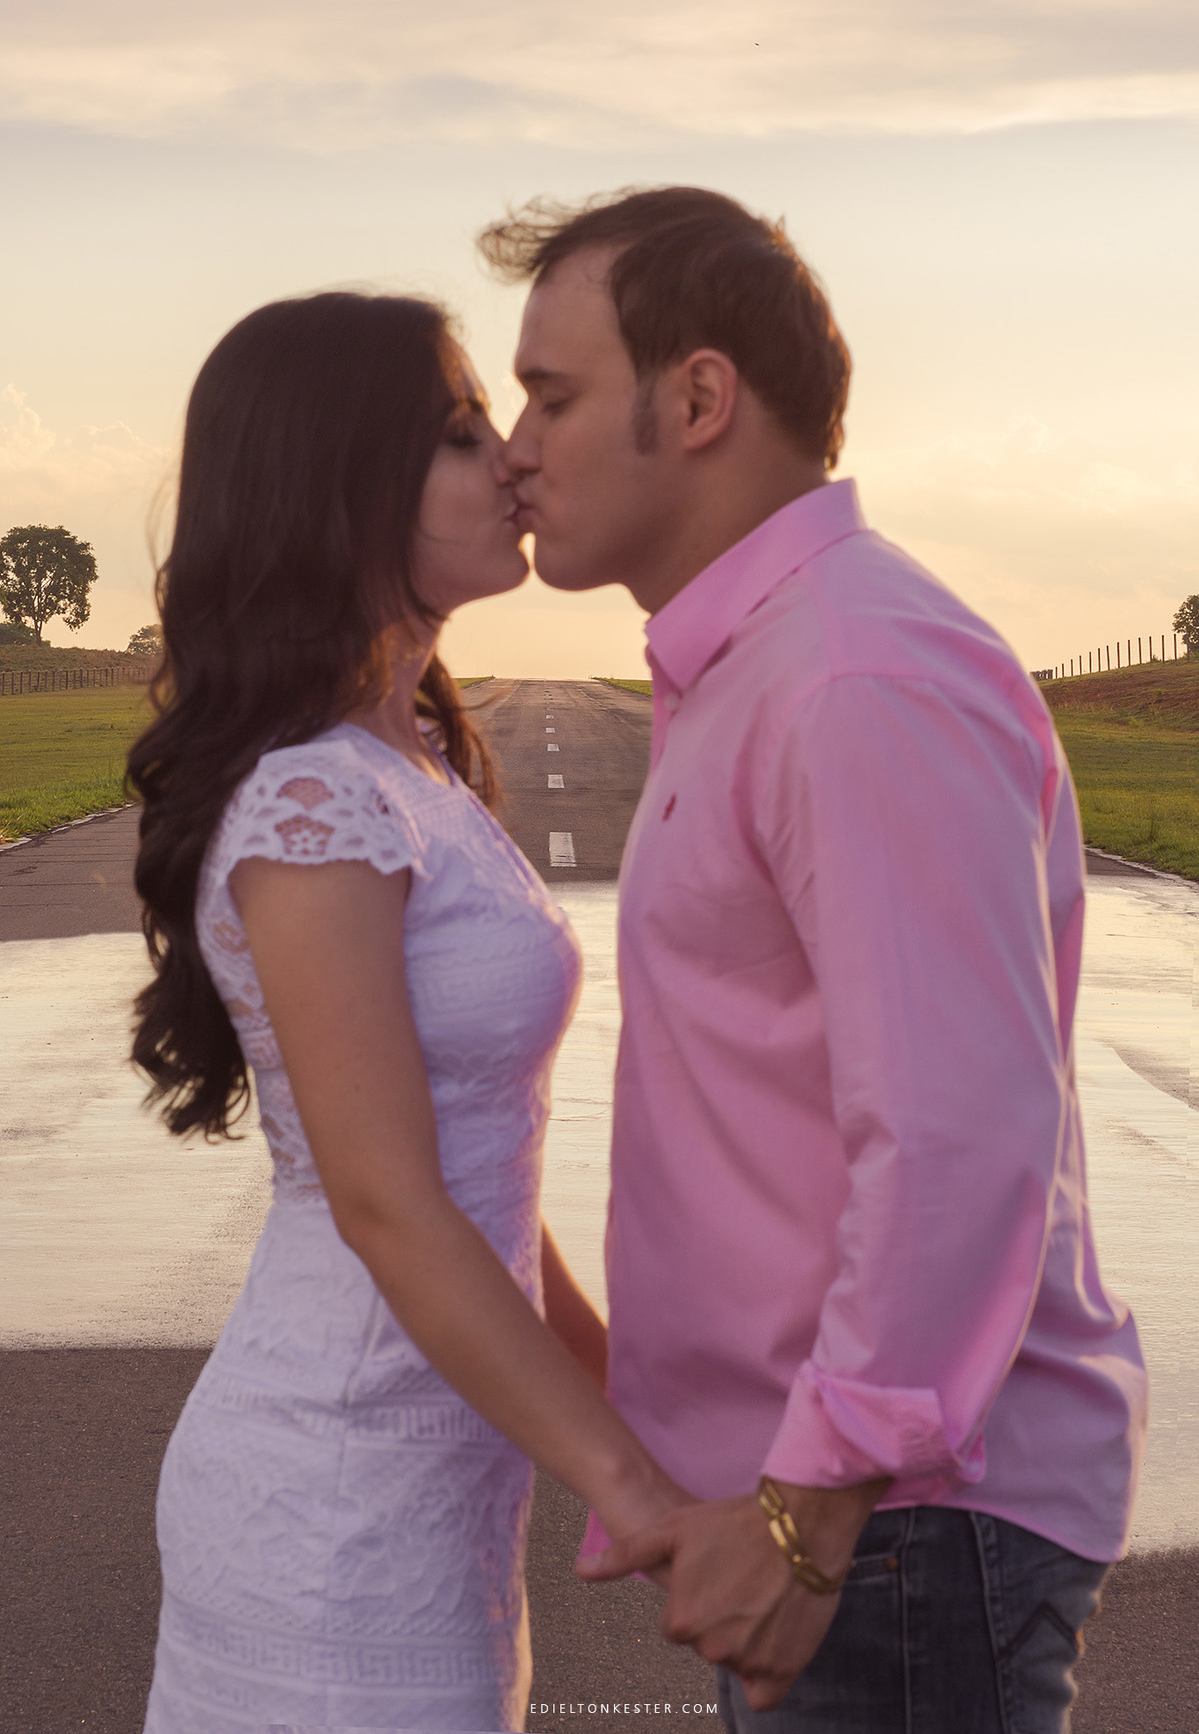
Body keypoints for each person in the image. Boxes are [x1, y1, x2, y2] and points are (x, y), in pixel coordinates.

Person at [480, 188, 1148, 1733]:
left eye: (552, 396)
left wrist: (811, 1505)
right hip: (851, 1517)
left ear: (699, 398)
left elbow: (956, 1132)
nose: (516, 447)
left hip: (893, 1529)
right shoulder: (766, 664)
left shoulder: (855, 674)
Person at [128, 291, 686, 1733]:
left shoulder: (413, 762)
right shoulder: (312, 795)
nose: (512, 456)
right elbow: (387, 1203)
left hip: (428, 1501)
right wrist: (628, 1483)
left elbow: (487, 1193)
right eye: (457, 431)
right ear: (338, 485)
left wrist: (647, 1426)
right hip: (326, 1514)